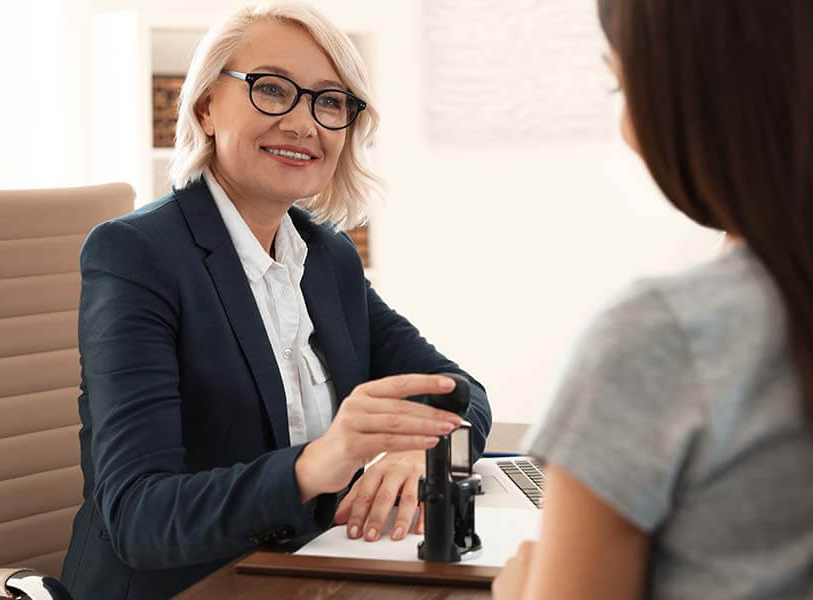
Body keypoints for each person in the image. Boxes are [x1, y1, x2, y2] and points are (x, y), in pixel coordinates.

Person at [60, 3, 491, 598]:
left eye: (329, 101)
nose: (303, 122)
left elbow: (458, 390)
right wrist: (319, 463)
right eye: (271, 89)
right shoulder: (136, 255)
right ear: (206, 107)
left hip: (303, 576)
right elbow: (139, 516)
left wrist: (430, 455)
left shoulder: (326, 257)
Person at [494, 0, 813, 598]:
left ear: (694, 95)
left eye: (619, 84)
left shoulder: (663, 335)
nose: (627, 129)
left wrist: (521, 589)